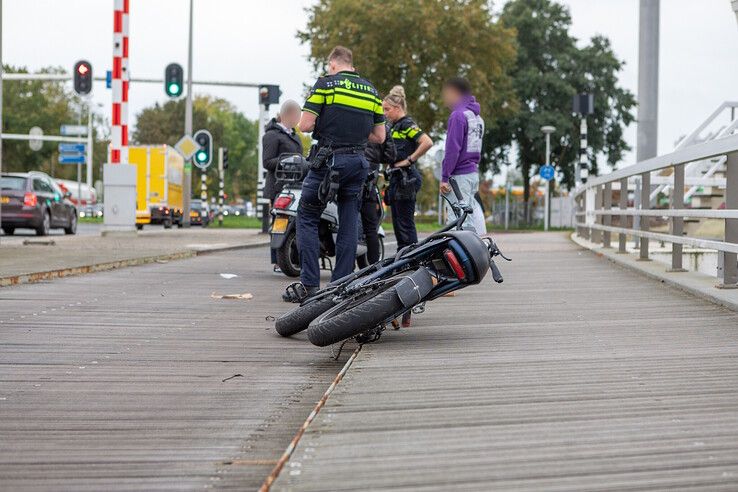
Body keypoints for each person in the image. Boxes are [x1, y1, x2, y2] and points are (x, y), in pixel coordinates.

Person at [289, 46, 386, 300]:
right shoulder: (372, 91)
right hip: (358, 163)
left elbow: (306, 124)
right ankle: (340, 286)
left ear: (333, 64)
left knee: (308, 215)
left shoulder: (325, 84)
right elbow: (379, 136)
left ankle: (309, 285)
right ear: (351, 64)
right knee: (349, 221)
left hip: (329, 162)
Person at [382, 85, 433, 251]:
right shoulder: (394, 126)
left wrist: (409, 160)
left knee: (405, 224)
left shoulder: (406, 124)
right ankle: (403, 256)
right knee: (398, 224)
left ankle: (410, 258)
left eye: (387, 109)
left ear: (397, 108)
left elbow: (427, 142)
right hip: (397, 178)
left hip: (407, 178)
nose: (384, 113)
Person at [440, 77, 487, 234]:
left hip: (458, 177)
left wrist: (445, 177)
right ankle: (472, 255)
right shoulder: (477, 117)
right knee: (467, 220)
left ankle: (461, 258)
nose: (444, 98)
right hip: (472, 174)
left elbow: (452, 150)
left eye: (446, 93)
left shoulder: (458, 115)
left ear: (455, 92)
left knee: (456, 221)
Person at [262, 100, 303, 272]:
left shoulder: (293, 135)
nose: (298, 121)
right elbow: (267, 161)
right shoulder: (272, 135)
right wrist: (289, 161)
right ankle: (277, 260)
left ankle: (292, 256)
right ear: (288, 115)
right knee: (279, 223)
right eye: (297, 117)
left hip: (295, 185)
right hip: (278, 186)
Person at [362, 122, 395, 265]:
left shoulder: (351, 115)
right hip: (369, 178)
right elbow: (391, 155)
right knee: (371, 227)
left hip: (346, 173)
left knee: (346, 223)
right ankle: (374, 268)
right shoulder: (382, 126)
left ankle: (344, 270)